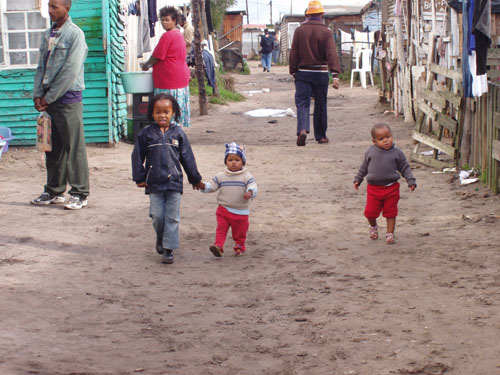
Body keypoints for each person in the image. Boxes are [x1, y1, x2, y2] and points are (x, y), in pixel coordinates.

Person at [132, 93, 204, 264]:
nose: (162, 115)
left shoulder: (178, 133)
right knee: (157, 216)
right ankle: (161, 238)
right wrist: (139, 177)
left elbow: (187, 157)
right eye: (158, 112)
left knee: (172, 217)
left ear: (173, 113)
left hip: (174, 182)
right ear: (152, 113)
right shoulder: (146, 134)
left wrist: (195, 179)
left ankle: (168, 249)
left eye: (166, 112)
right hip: (154, 182)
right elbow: (137, 156)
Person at [31, 0, 89, 210]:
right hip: (48, 101)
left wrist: (50, 96)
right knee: (51, 148)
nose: (50, 10)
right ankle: (54, 190)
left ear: (67, 8)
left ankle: (80, 193)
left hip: (67, 99)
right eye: (49, 6)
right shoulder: (48, 34)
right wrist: (38, 94)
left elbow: (70, 71)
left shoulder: (75, 35)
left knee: (73, 147)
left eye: (55, 6)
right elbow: (40, 67)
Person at [353, 124, 417, 244]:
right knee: (369, 212)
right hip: (373, 189)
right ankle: (373, 227)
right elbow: (364, 168)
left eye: (388, 137)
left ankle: (390, 234)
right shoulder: (370, 152)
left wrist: (410, 180)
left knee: (391, 212)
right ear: (374, 141)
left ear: (392, 136)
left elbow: (405, 168)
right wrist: (358, 179)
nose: (386, 141)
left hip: (391, 188)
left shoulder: (397, 153)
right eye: (381, 139)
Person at [289, 0, 341, 146]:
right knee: (321, 104)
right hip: (321, 73)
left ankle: (302, 129)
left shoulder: (299, 30)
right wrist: (335, 75)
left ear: (307, 14)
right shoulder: (326, 31)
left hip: (303, 73)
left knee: (302, 103)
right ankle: (321, 136)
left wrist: (293, 71)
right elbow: (332, 54)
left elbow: (294, 53)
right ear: (321, 14)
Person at [200, 142, 258, 257]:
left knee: (240, 232)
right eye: (230, 160)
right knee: (221, 229)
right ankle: (218, 246)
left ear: (243, 162)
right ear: (226, 162)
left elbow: (253, 185)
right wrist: (203, 186)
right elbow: (212, 186)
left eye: (237, 160)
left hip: (241, 211)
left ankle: (240, 246)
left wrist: (250, 192)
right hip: (224, 209)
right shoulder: (221, 176)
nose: (233, 163)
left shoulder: (246, 176)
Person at [141, 6, 191, 128]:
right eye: (162, 20)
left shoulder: (167, 36)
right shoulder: (178, 34)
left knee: (165, 109)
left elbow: (157, 56)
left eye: (167, 20)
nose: (164, 22)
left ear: (174, 20)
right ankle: (175, 133)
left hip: (169, 80)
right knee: (175, 110)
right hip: (180, 78)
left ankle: (168, 135)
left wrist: (146, 65)